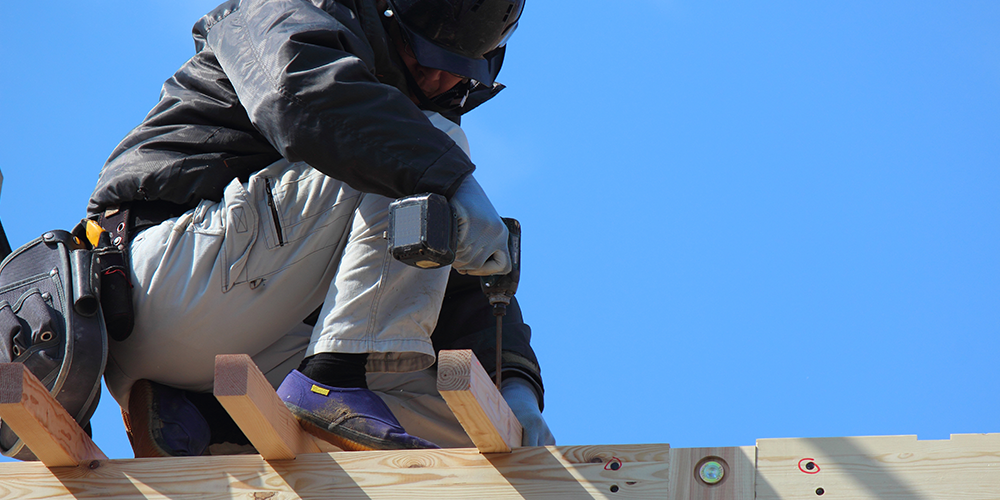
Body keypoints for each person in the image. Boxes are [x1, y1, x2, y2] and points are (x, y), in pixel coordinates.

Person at [87, 0, 554, 456]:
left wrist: (512, 387)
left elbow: (452, 282)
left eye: (455, 69)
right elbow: (301, 99)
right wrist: (451, 179)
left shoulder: (410, 151)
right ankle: (333, 379)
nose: (436, 78)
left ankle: (207, 419)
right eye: (422, 56)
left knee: (469, 425)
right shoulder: (279, 10)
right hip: (156, 283)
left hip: (227, 341)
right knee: (415, 149)